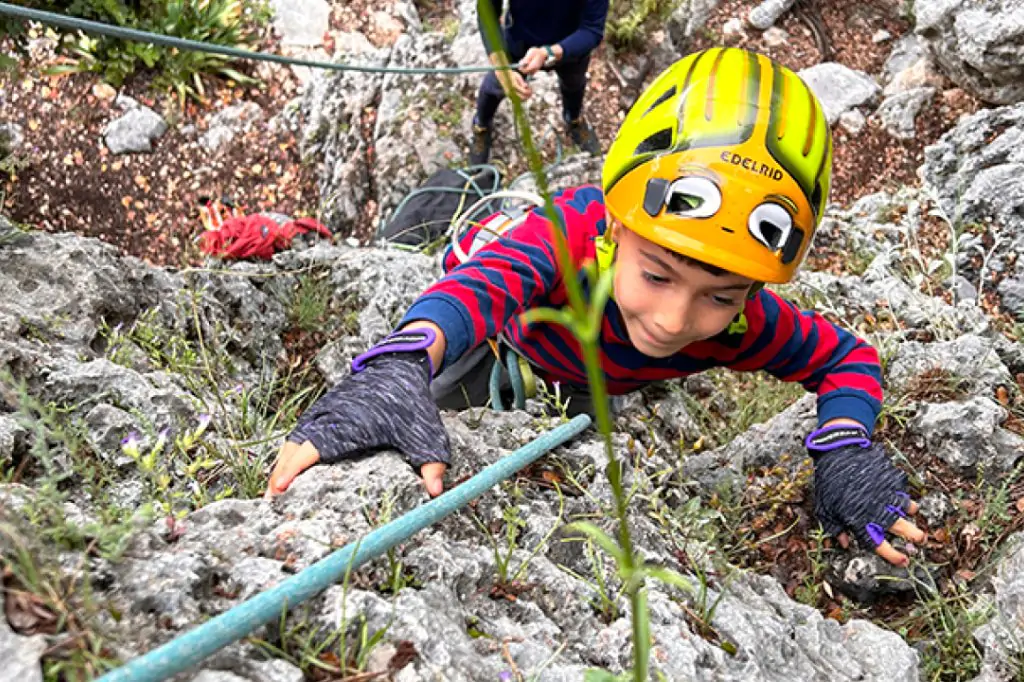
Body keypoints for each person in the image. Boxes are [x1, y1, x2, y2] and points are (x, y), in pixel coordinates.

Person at [266, 48, 928, 568]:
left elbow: (847, 358)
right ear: (615, 229)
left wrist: (842, 447)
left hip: (587, 383)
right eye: (658, 274)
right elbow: (477, 291)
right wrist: (400, 366)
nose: (674, 320)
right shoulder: (571, 239)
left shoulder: (745, 324)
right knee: (432, 397)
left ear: (754, 292)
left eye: (720, 297)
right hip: (510, 341)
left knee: (573, 432)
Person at [468, 0, 608, 165]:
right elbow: (487, 9)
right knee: (495, 86)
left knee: (574, 84)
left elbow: (592, 29)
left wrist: (550, 52)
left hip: (571, 49)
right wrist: (501, 67)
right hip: (520, 44)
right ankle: (481, 125)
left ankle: (574, 119)